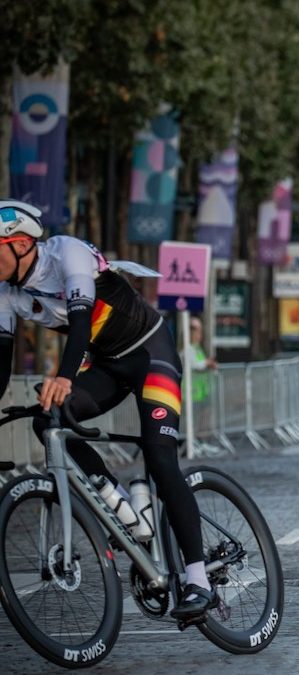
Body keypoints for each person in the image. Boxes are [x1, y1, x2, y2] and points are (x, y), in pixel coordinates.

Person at [0, 200, 214, 619]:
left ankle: (199, 578)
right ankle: (120, 506)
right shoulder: (5, 294)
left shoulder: (67, 254)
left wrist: (63, 376)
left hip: (152, 355)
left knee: (159, 456)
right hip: (108, 366)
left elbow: (81, 322)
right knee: (49, 420)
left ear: (22, 243)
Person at [187, 317, 217, 404]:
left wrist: (208, 362)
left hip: (201, 392)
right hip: (192, 393)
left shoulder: (197, 348)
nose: (198, 334)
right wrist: (207, 363)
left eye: (199, 331)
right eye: (196, 331)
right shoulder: (188, 348)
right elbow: (194, 365)